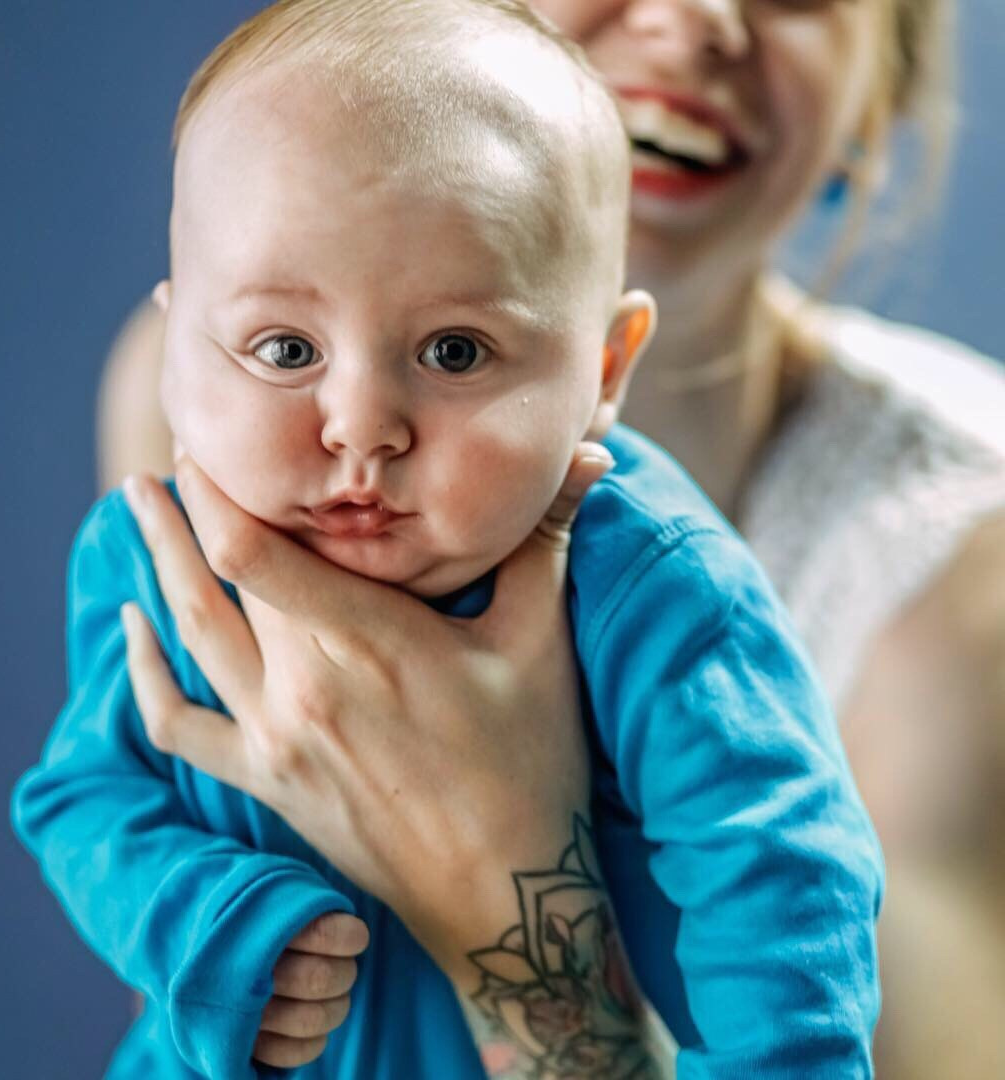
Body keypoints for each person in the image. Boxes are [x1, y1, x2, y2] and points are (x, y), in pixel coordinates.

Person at [100, 0, 1005, 1076]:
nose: (694, 21)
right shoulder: (205, 422)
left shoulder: (711, 585)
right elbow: (100, 794)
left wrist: (500, 883)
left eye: (456, 350)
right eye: (288, 347)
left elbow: (789, 925)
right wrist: (208, 920)